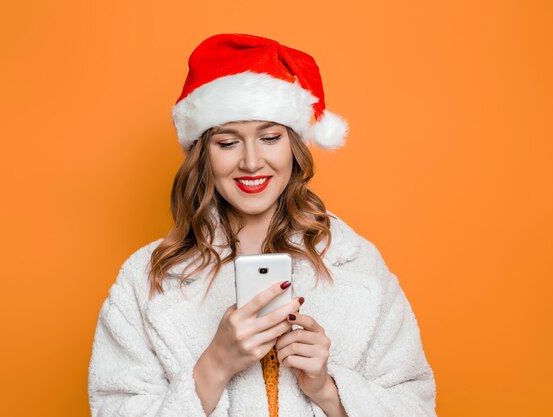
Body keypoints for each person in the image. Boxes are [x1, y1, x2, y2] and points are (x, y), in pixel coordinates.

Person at [87, 33, 437, 417]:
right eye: (227, 143)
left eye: (270, 137)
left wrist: (329, 390)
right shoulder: (145, 280)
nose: (252, 162)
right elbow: (113, 407)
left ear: (294, 147)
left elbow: (416, 404)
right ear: (202, 155)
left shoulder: (357, 265)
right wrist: (215, 366)